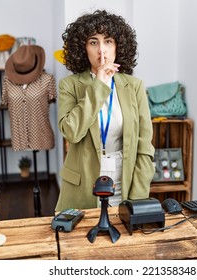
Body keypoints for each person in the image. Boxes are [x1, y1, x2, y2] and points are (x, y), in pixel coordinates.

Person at [55, 10, 155, 212]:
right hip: (82, 186)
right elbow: (71, 132)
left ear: (118, 46)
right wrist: (99, 85)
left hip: (123, 181)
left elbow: (144, 148)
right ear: (83, 48)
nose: (102, 50)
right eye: (93, 42)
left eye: (108, 41)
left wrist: (137, 198)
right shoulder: (69, 85)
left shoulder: (134, 86)